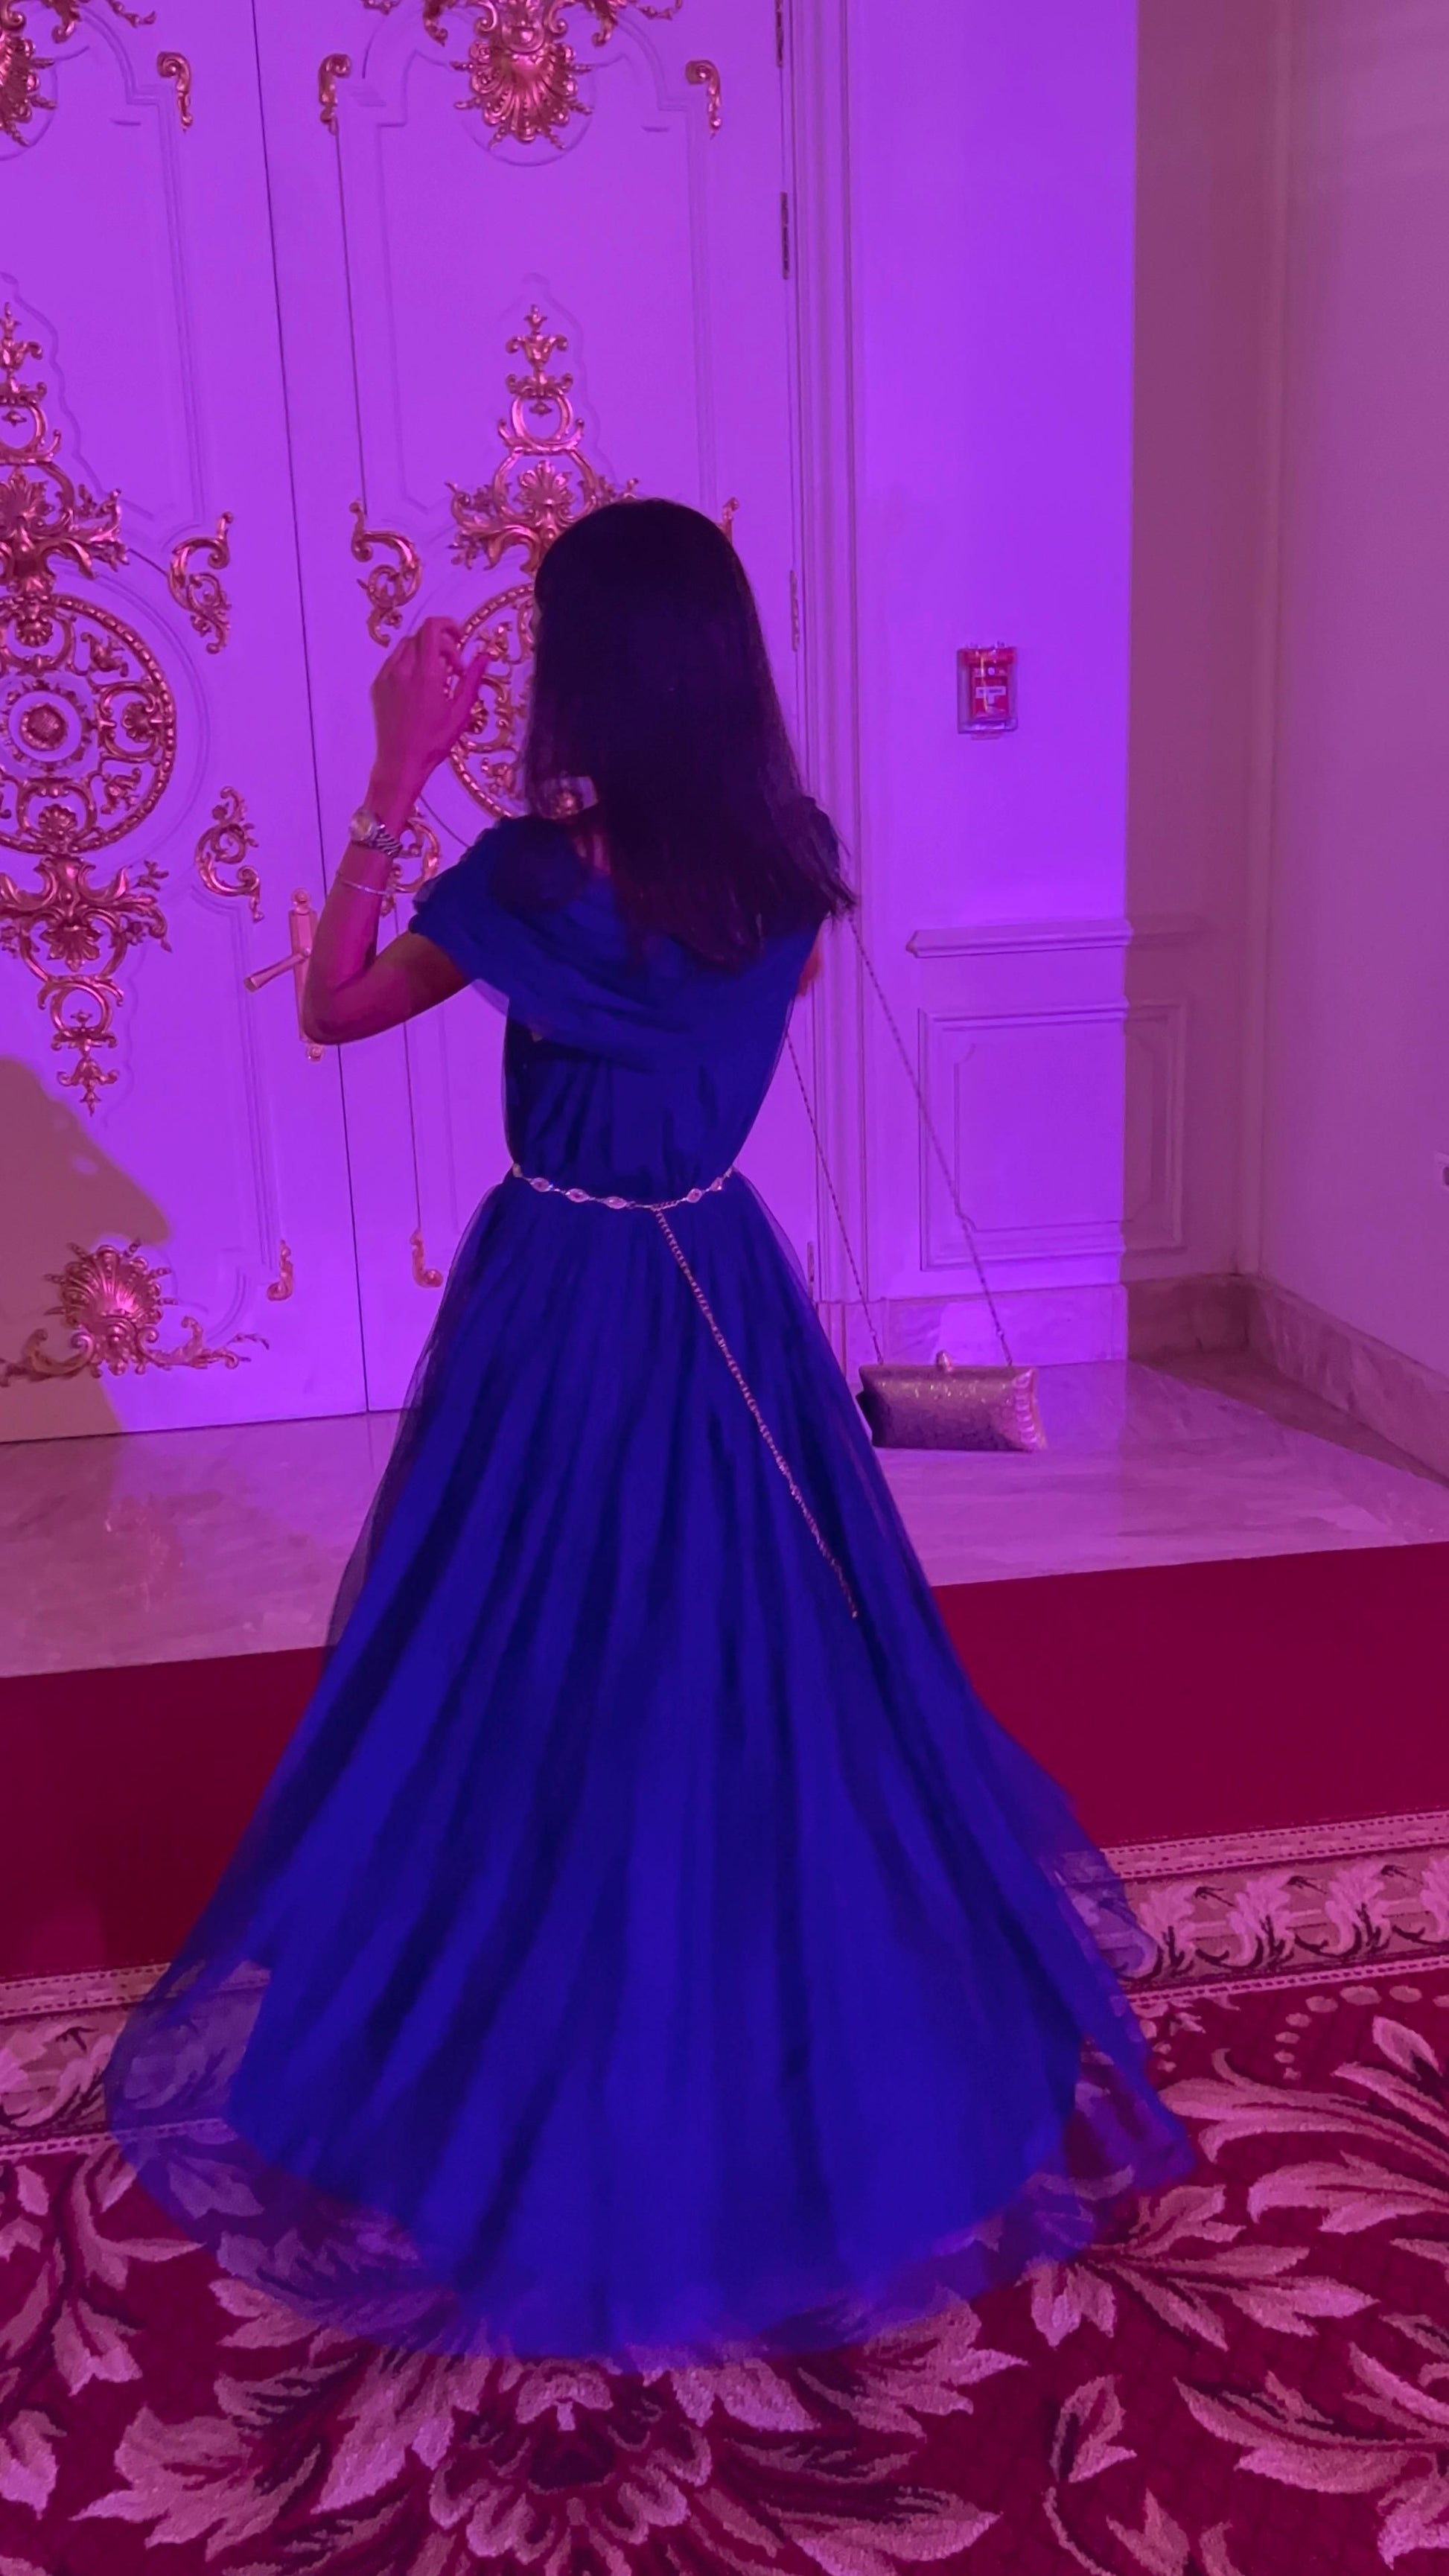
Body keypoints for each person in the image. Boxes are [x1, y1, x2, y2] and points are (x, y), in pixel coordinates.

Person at [104, 500, 1188, 2366]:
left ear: (586, 671)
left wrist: (396, 773)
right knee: (755, 1636)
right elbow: (720, 991)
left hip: (560, 1290)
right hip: (719, 1275)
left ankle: (531, 1985)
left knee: (518, 1638)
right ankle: (766, 1987)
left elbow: (333, 1005)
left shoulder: (527, 882)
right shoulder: (786, 868)